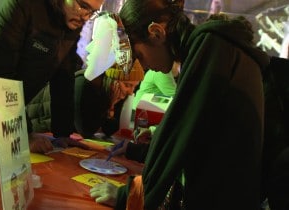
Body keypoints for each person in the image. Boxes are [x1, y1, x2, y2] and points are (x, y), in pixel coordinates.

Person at [89, 0, 270, 209]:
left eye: (139, 55)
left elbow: (181, 134)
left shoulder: (210, 46)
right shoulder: (209, 47)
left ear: (156, 33)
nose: (144, 66)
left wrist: (129, 196)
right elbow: (194, 135)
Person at [0, 0, 105, 154]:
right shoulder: (20, 5)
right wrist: (22, 134)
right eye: (83, 6)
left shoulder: (71, 19)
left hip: (5, 112)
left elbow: (63, 76)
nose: (85, 17)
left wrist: (63, 133)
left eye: (92, 11)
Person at [26, 59, 144, 139]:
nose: (130, 92)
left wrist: (112, 106)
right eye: (128, 85)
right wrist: (109, 106)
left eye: (134, 86)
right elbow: (86, 130)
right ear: (112, 80)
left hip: (58, 137)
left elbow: (110, 130)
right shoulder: (83, 84)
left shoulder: (115, 92)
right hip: (36, 131)